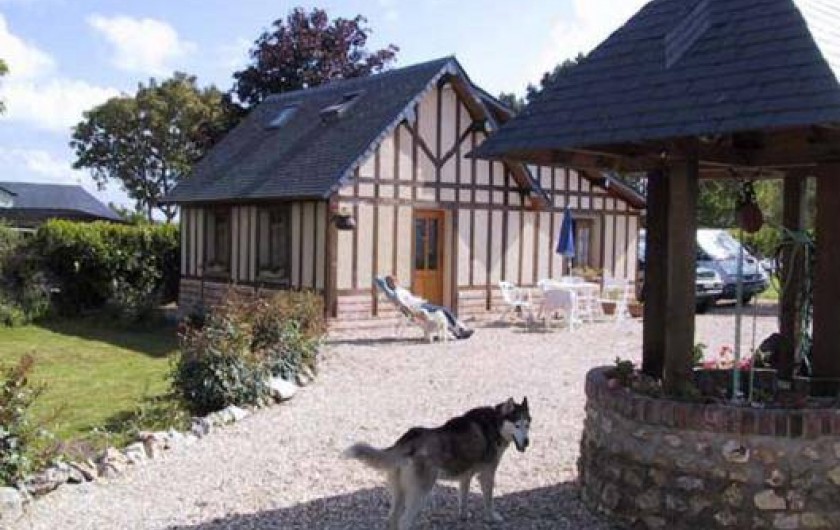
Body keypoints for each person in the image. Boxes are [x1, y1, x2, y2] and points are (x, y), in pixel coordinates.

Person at [384, 275, 474, 339]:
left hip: (420, 304)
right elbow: (403, 305)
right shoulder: (397, 293)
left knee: (444, 311)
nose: (395, 282)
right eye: (392, 282)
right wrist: (413, 313)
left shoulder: (400, 290)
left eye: (395, 280)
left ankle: (460, 329)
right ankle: (458, 330)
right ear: (389, 284)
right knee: (444, 310)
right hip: (418, 307)